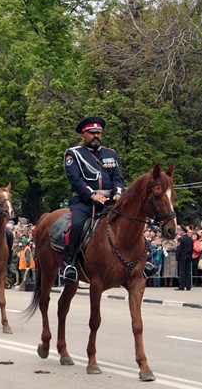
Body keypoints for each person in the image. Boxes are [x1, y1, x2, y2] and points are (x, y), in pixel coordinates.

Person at [63, 116, 127, 283]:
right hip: (84, 202)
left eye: (98, 133)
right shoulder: (73, 154)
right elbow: (75, 179)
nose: (96, 136)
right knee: (76, 224)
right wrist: (92, 195)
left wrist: (118, 193)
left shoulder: (111, 154)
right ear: (83, 134)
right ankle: (69, 263)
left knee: (130, 222)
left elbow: (118, 177)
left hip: (109, 202)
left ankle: (140, 262)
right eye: (92, 133)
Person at [175, 225, 193, 290]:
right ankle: (188, 286)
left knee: (182, 271)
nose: (179, 232)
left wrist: (177, 258)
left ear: (182, 231)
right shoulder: (190, 239)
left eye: (180, 230)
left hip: (182, 257)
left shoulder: (181, 239)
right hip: (189, 256)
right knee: (188, 271)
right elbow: (191, 249)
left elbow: (179, 249)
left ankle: (182, 286)